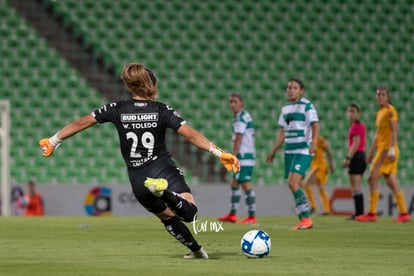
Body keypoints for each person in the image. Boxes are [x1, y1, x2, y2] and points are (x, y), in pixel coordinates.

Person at [39, 62, 240, 258]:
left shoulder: (116, 108)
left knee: (166, 217)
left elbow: (81, 123)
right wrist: (219, 153)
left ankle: (197, 250)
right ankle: (167, 193)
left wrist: (53, 140)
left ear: (129, 86)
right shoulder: (161, 109)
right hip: (162, 168)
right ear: (151, 84)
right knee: (190, 213)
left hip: (138, 177)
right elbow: (190, 135)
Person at [266, 78, 319, 230]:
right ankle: (303, 219)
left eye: (295, 87)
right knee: (292, 184)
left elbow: (315, 124)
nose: (291, 90)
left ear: (301, 91)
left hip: (303, 149)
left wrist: (314, 142)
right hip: (290, 150)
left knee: (293, 183)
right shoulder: (285, 109)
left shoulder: (307, 106)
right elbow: (283, 131)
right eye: (289, 87)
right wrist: (274, 150)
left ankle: (306, 218)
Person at [356, 87, 410, 223]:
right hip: (383, 149)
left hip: (387, 150)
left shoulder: (390, 111)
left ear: (388, 97)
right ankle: (404, 213)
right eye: (378, 94)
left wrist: (391, 148)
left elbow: (394, 131)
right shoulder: (380, 112)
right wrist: (370, 153)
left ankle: (372, 213)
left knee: (371, 178)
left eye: (383, 94)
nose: (380, 97)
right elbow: (378, 135)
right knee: (391, 181)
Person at [218, 93, 257, 224]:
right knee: (235, 182)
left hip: (244, 156)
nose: (232, 104)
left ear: (241, 103)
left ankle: (251, 216)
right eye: (230, 102)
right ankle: (233, 214)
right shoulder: (242, 116)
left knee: (245, 184)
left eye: (235, 101)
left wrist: (233, 156)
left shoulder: (241, 117)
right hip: (246, 155)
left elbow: (239, 137)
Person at [342, 102, 367, 219]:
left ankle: (360, 213)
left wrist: (348, 157)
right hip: (357, 156)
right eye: (349, 111)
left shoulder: (357, 126)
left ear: (358, 114)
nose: (350, 114)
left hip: (357, 156)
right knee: (354, 186)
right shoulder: (354, 126)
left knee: (356, 186)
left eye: (353, 112)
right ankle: (358, 212)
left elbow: (356, 143)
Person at [302, 134, 335, 216]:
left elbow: (328, 150)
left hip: (320, 166)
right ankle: (327, 210)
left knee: (306, 183)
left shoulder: (319, 138)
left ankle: (313, 206)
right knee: (321, 188)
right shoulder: (306, 140)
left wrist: (331, 164)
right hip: (315, 166)